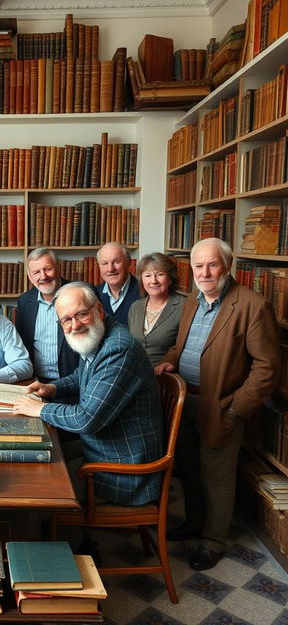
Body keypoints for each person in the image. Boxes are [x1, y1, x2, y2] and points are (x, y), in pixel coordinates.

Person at [157, 238, 280, 571]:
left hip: (220, 404)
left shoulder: (252, 305)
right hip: (185, 401)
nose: (205, 272)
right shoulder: (193, 301)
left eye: (212, 264)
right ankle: (195, 522)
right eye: (199, 265)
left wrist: (235, 408)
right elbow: (182, 346)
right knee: (190, 470)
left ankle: (213, 540)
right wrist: (170, 361)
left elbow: (267, 367)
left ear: (228, 266)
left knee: (218, 476)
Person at [13, 282, 163, 506]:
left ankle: (46, 531)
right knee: (32, 463)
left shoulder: (118, 349)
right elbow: (80, 375)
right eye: (66, 319)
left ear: (99, 310)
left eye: (81, 314)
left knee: (34, 485)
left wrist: (40, 409)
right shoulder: (100, 336)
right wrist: (52, 388)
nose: (75, 325)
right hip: (101, 449)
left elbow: (86, 419)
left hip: (123, 469)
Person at [16, 248, 78, 380]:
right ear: (30, 277)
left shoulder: (78, 293)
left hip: (73, 382)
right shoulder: (24, 302)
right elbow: (21, 344)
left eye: (48, 269)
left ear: (58, 268)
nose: (43, 276)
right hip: (37, 382)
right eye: (36, 272)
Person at [127, 252, 186, 367]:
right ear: (142, 280)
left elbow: (185, 347)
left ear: (170, 278)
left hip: (166, 376)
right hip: (135, 373)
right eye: (148, 275)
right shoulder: (135, 307)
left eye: (159, 274)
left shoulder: (184, 306)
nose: (153, 281)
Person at [95, 242, 140, 325]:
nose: (111, 269)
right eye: (105, 263)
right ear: (99, 266)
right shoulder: (94, 294)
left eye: (116, 262)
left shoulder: (145, 293)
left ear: (128, 262)